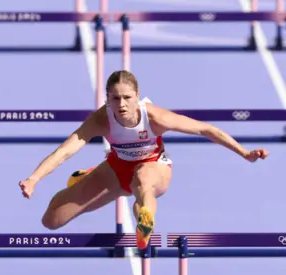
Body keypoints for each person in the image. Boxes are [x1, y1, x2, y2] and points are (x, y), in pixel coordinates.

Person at [19, 70, 269, 250]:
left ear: (137, 96)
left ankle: (144, 226)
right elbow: (64, 151)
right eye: (115, 99)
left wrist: (243, 152)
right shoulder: (101, 120)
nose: (122, 104)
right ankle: (89, 175)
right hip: (116, 170)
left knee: (143, 183)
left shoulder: (155, 117)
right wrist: (34, 179)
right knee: (51, 220)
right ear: (107, 99)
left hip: (154, 166)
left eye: (127, 98)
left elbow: (205, 129)